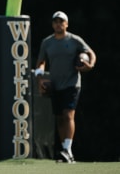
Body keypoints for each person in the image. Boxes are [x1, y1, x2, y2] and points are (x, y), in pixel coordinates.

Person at [34, 11, 96, 163]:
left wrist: (90, 65)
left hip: (72, 84)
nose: (58, 24)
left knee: (68, 115)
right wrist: (40, 79)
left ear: (66, 24)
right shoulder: (47, 42)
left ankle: (68, 150)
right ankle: (66, 153)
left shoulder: (74, 40)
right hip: (55, 85)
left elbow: (90, 53)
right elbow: (41, 62)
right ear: (52, 24)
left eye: (61, 21)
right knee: (60, 118)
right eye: (55, 21)